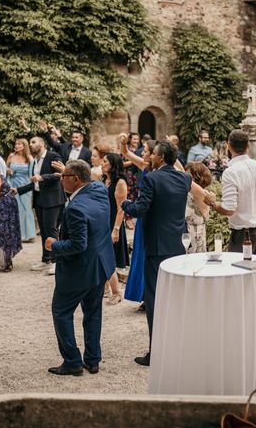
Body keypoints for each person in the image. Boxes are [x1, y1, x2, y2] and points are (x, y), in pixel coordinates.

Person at [204, 130, 256, 334]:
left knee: (237, 280)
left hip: (244, 235)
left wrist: (212, 203)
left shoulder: (231, 172)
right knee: (255, 279)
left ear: (228, 146)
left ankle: (241, 327)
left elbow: (229, 209)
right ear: (248, 146)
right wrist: (255, 205)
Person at [122, 140, 191, 367]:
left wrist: (124, 204)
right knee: (176, 300)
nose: (149, 157)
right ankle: (180, 347)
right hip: (178, 246)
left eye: (153, 155)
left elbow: (141, 209)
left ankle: (157, 353)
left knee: (154, 300)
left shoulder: (151, 178)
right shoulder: (184, 178)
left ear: (160, 158)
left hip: (157, 247)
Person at [45, 160, 115, 376]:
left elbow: (77, 244)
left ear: (75, 180)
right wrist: (68, 168)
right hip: (101, 265)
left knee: (61, 311)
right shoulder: (99, 189)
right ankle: (93, 360)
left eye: (64, 176)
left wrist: (53, 244)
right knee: (93, 312)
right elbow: (89, 176)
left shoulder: (75, 208)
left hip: (80, 270)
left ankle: (73, 361)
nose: (60, 179)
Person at [15, 137, 64, 274]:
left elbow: (60, 174)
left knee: (51, 231)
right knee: (43, 232)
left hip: (53, 200)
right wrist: (18, 190)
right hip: (40, 200)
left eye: (33, 142)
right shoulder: (35, 161)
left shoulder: (53, 155)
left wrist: (42, 177)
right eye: (30, 143)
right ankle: (46, 259)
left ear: (42, 143)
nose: (30, 145)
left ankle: (56, 262)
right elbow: (35, 183)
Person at [120, 138, 156, 309]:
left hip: (151, 214)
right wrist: (123, 143)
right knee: (140, 255)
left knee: (147, 254)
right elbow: (126, 153)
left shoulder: (159, 171)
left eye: (146, 150)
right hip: (142, 215)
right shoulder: (145, 166)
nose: (142, 152)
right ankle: (143, 295)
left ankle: (149, 296)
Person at [101, 153, 127, 306]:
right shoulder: (105, 180)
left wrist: (116, 229)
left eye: (105, 161)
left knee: (108, 258)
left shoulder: (120, 182)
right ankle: (105, 289)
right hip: (103, 222)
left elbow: (121, 209)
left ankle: (117, 292)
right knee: (102, 256)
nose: (102, 163)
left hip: (113, 223)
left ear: (113, 164)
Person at [6, 139, 36, 242]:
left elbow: (31, 175)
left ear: (24, 146)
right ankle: (15, 234)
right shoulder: (11, 156)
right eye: (16, 144)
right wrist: (8, 170)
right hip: (12, 184)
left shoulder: (29, 158)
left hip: (25, 186)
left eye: (19, 144)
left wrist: (31, 187)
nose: (16, 145)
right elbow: (6, 168)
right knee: (14, 209)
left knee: (26, 209)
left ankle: (29, 234)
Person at [185, 162, 213, 253]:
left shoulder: (203, 195)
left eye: (188, 175)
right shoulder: (187, 193)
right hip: (185, 235)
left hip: (195, 236)